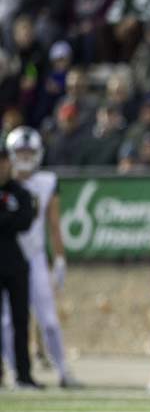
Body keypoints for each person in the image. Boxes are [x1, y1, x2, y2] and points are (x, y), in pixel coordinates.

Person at [1, 127, 79, 388]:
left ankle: (63, 370)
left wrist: (59, 259)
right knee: (7, 321)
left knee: (49, 320)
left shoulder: (46, 182)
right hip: (8, 255)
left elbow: (54, 224)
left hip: (33, 257)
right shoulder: (6, 185)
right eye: (19, 151)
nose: (24, 157)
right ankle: (15, 371)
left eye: (29, 151)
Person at [0, 147, 37, 389]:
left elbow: (25, 221)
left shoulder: (20, 192)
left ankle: (23, 374)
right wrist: (8, 220)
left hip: (15, 262)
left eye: (4, 162)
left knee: (21, 320)